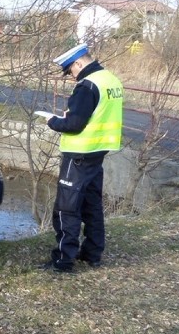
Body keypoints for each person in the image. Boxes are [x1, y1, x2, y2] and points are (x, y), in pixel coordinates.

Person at [40, 43, 124, 272]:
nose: (70, 76)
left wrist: (53, 121)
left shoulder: (87, 86)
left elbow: (74, 124)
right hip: (99, 152)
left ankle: (63, 260)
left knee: (66, 209)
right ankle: (92, 254)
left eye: (69, 71)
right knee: (92, 206)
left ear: (78, 63)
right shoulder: (111, 80)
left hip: (79, 154)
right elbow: (97, 114)